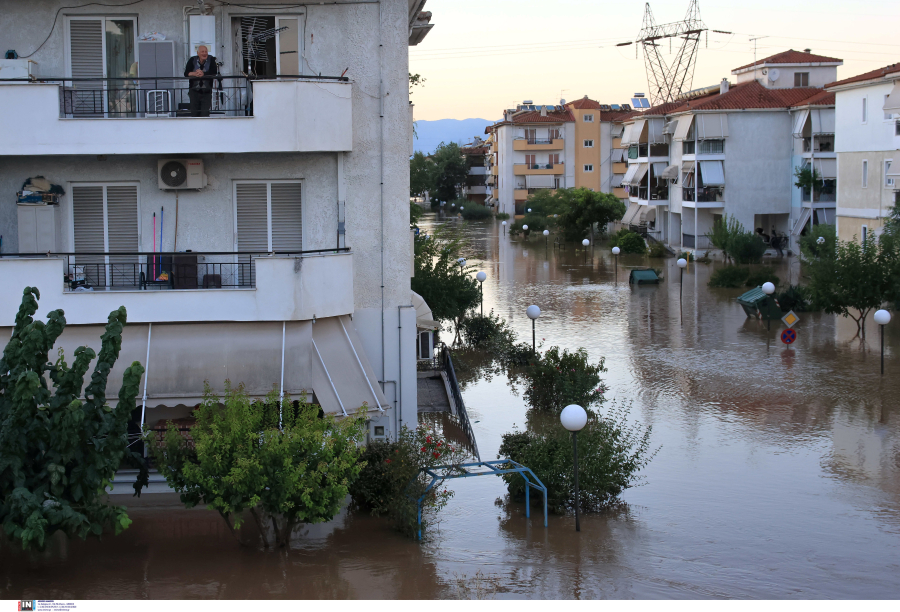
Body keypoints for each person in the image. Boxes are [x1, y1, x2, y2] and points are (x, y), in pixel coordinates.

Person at [184, 45, 219, 117]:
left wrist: (204, 74)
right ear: (198, 53)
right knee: (194, 113)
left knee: (205, 113)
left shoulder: (211, 59)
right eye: (202, 52)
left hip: (206, 91)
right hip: (194, 91)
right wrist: (194, 74)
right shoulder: (192, 60)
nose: (204, 53)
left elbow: (214, 72)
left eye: (206, 51)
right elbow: (186, 73)